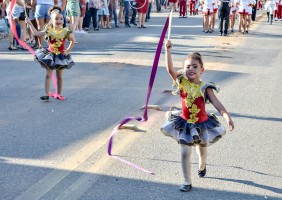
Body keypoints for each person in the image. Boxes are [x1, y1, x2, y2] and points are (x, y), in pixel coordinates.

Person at [162, 40, 234, 192]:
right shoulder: (181, 82)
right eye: (188, 66)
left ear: (202, 70)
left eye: (195, 66)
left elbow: (217, 103)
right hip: (185, 123)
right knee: (184, 152)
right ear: (184, 69)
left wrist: (226, 116)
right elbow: (169, 69)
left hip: (202, 124)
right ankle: (187, 181)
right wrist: (168, 50)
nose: (191, 69)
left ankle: (202, 165)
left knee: (202, 149)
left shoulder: (205, 87)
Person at [26, 6, 75, 100]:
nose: (59, 20)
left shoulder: (65, 31)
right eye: (56, 18)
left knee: (59, 76)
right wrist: (30, 24)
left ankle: (58, 94)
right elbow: (36, 33)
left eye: (61, 18)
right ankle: (47, 94)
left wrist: (68, 50)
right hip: (50, 56)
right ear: (51, 20)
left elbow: (73, 41)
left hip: (60, 56)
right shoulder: (49, 30)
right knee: (48, 74)